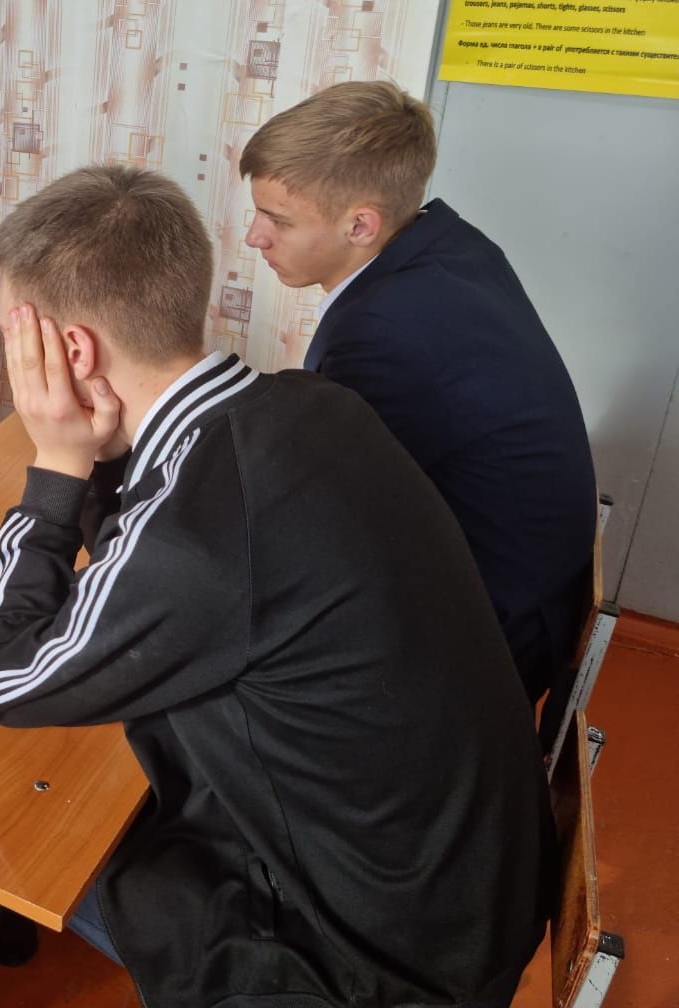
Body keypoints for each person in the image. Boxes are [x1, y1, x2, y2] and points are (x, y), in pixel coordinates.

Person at [0, 165, 551, 1008]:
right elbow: (143, 542)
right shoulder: (308, 406)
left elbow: (6, 677)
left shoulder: (202, 538)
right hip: (455, 887)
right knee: (18, 791)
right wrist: (92, 455)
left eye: (16, 344)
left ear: (72, 352)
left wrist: (56, 464)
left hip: (361, 961)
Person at [240, 80, 596, 707]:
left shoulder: (378, 332)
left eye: (278, 219)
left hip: (487, 645)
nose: (254, 237)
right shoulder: (450, 243)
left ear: (361, 224)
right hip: (537, 592)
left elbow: (328, 526)